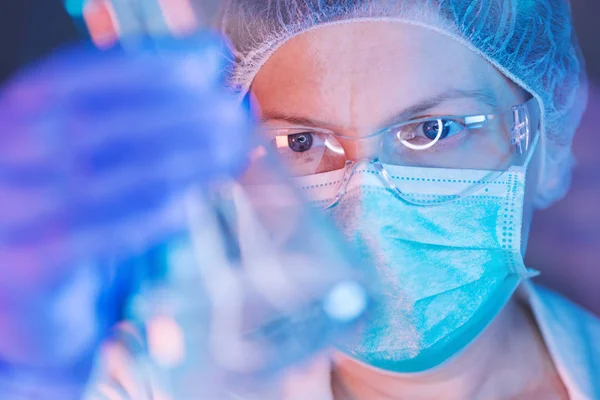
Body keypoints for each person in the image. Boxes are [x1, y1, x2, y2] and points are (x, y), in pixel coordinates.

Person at [85, 0, 600, 399]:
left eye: (433, 129)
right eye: (301, 142)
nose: (368, 207)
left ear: (543, 144)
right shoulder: (154, 379)